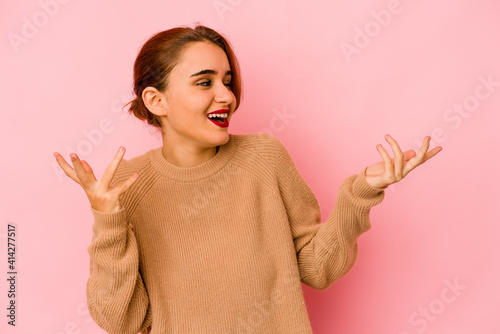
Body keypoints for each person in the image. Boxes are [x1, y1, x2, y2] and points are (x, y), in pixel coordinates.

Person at [53, 24, 442, 334]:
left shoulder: (264, 157)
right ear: (157, 101)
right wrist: (108, 221)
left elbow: (317, 269)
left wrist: (361, 192)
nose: (227, 96)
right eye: (205, 82)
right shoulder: (126, 182)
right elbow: (122, 321)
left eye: (227, 80)